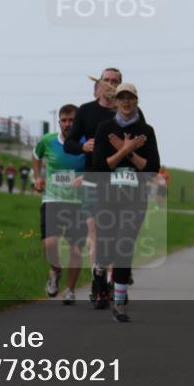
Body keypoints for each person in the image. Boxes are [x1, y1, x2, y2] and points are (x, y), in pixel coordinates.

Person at [63, 67, 144, 308]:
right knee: (96, 232)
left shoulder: (132, 113)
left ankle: (115, 276)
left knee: (120, 235)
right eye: (106, 80)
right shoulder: (87, 111)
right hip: (94, 179)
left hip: (123, 181)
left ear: (121, 86)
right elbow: (68, 143)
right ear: (99, 84)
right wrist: (83, 148)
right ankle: (99, 280)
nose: (110, 84)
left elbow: (144, 144)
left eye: (115, 81)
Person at [92, 83, 160, 322]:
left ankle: (119, 302)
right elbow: (100, 167)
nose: (126, 102)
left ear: (136, 101)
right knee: (108, 246)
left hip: (135, 198)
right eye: (122, 98)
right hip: (108, 197)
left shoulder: (146, 131)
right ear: (116, 102)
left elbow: (151, 169)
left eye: (130, 98)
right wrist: (124, 151)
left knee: (124, 246)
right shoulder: (104, 129)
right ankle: (99, 268)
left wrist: (128, 150)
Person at [33, 104, 89, 305]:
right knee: (49, 244)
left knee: (75, 249)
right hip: (52, 199)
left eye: (72, 120)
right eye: (64, 120)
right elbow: (36, 155)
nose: (67, 124)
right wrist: (38, 178)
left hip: (79, 202)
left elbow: (98, 165)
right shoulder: (48, 141)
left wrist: (85, 177)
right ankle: (55, 271)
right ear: (59, 122)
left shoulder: (86, 143)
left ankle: (70, 290)